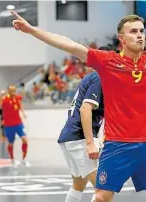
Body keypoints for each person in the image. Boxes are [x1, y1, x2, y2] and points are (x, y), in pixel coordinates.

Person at [11, 10, 146, 202]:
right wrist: (32, 30)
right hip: (117, 145)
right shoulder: (107, 62)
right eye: (133, 32)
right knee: (101, 197)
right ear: (121, 38)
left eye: (141, 31)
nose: (140, 36)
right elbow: (69, 45)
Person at [58, 46, 117, 202]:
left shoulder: (95, 78)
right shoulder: (100, 77)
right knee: (103, 190)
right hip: (79, 138)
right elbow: (85, 110)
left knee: (79, 184)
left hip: (69, 136)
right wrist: (90, 143)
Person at [0, 84, 30, 168]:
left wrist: (23, 113)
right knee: (11, 143)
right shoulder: (4, 99)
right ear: (8, 91)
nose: (13, 92)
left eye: (14, 90)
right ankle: (12, 159)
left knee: (24, 139)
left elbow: (20, 105)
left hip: (18, 123)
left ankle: (24, 159)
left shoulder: (17, 98)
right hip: (8, 125)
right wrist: (0, 96)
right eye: (11, 90)